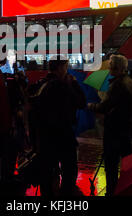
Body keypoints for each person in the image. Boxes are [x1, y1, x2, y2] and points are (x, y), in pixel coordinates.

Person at [88, 55, 132, 196]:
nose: (109, 67)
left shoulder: (117, 85)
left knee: (111, 166)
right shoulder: (131, 82)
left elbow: (104, 106)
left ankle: (112, 191)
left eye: (110, 65)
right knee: (127, 162)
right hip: (126, 128)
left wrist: (92, 106)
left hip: (114, 129)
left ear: (116, 68)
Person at [35, 59, 86, 196]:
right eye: (65, 67)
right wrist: (74, 83)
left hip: (46, 135)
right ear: (59, 68)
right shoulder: (62, 86)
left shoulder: (42, 84)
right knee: (69, 168)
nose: (67, 70)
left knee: (49, 169)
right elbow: (81, 102)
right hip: (63, 134)